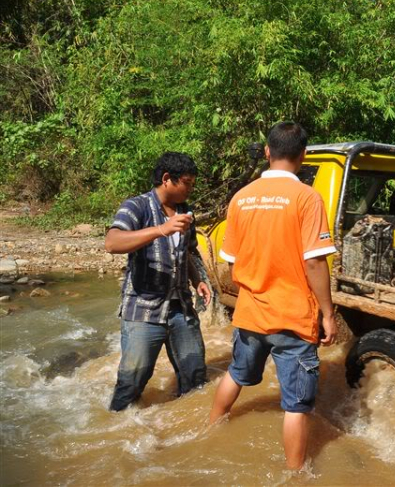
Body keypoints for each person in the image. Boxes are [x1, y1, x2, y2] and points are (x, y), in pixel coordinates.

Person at [208, 122, 337, 469]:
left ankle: (210, 429)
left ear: (267, 152)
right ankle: (296, 474)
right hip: (292, 317)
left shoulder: (241, 198)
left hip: (250, 313)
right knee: (296, 406)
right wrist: (327, 312)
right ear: (303, 155)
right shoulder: (307, 198)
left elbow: (231, 266)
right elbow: (314, 262)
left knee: (236, 373)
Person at [105, 151, 212, 412]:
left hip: (180, 308)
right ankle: (120, 430)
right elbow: (112, 242)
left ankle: (184, 429)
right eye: (187, 182)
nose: (190, 189)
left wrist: (197, 280)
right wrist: (160, 229)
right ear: (167, 179)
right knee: (131, 383)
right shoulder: (136, 206)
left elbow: (186, 252)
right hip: (143, 309)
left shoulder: (185, 212)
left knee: (195, 376)